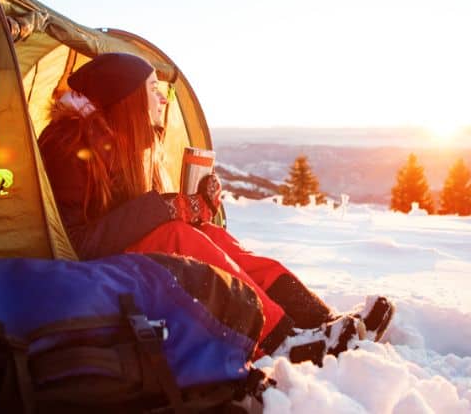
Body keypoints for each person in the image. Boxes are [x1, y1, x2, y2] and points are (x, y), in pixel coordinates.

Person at [37, 52, 392, 362]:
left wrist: (197, 204)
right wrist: (169, 210)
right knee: (177, 235)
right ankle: (279, 341)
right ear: (127, 101)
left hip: (125, 260)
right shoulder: (68, 148)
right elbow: (78, 244)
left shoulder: (118, 142)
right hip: (90, 277)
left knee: (207, 234)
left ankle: (317, 319)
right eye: (151, 90)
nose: (162, 99)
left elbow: (131, 214)